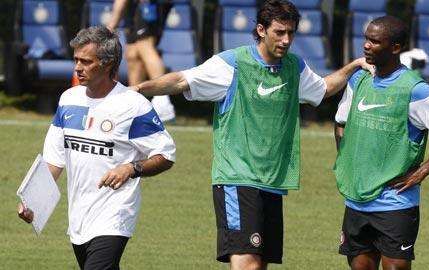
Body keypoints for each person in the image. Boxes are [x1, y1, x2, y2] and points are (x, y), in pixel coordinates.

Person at [130, 1, 373, 268]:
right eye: (279, 32)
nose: (286, 40)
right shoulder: (233, 63)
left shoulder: (294, 67)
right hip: (237, 178)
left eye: (291, 33)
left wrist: (355, 65)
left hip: (272, 180)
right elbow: (180, 81)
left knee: (260, 263)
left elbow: (323, 89)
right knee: (248, 264)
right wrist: (140, 88)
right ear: (261, 30)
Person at [17, 26, 176, 270]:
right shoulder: (68, 100)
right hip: (79, 216)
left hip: (114, 215)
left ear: (107, 63)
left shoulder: (133, 106)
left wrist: (131, 168)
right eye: (76, 60)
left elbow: (166, 155)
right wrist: (32, 204)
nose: (77, 67)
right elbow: (53, 160)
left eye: (86, 61)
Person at [333, 16, 429, 270]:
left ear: (395, 47)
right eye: (366, 39)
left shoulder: (415, 90)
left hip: (395, 203)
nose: (366, 46)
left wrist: (421, 172)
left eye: (374, 41)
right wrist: (346, 161)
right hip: (357, 200)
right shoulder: (358, 80)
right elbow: (340, 121)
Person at [107, 0, 176, 122]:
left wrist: (112, 24)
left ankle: (163, 102)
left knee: (145, 44)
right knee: (133, 53)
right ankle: (133, 105)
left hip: (147, 4)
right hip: (136, 7)